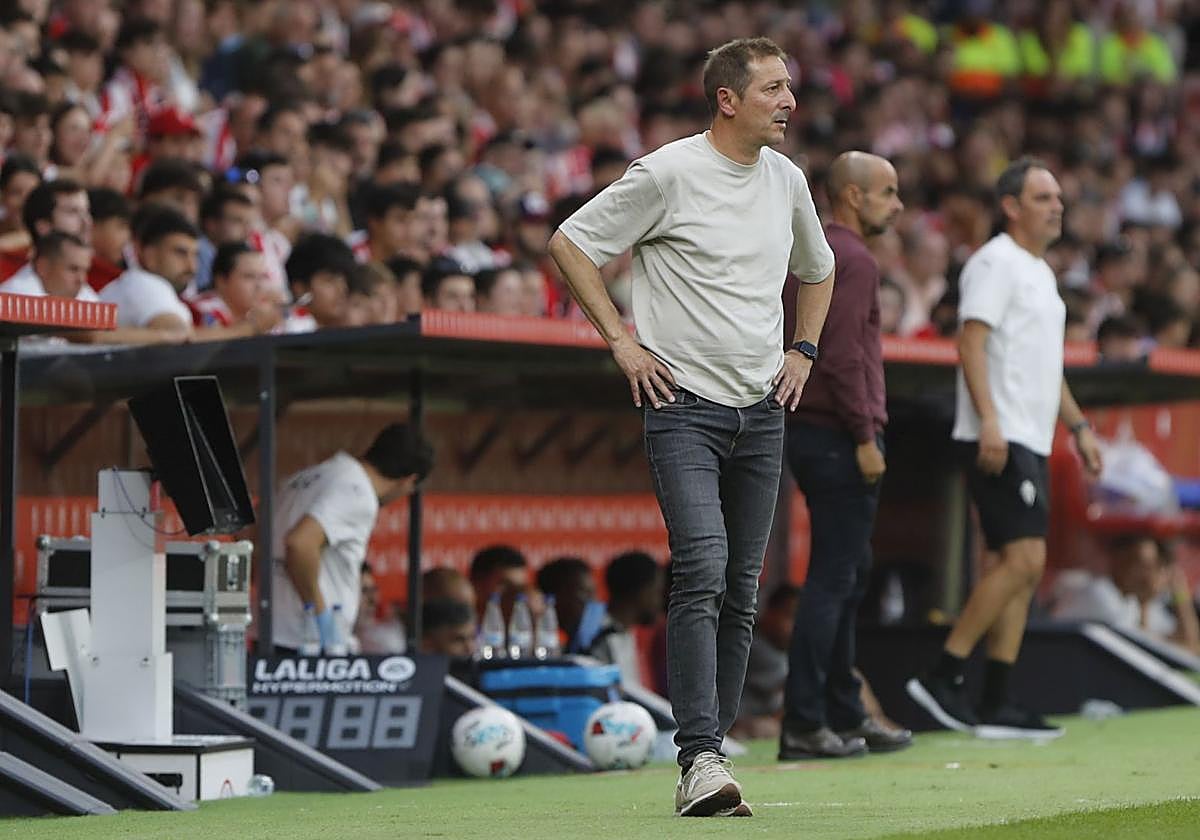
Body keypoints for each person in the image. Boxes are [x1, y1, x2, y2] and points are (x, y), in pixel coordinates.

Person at [549, 37, 835, 818]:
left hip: (763, 408)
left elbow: (818, 267)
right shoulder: (669, 172)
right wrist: (620, 339)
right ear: (727, 98)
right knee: (704, 565)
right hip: (684, 406)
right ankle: (700, 756)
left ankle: (711, 750)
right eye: (774, 88)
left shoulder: (787, 180)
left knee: (743, 586)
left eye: (791, 88)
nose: (789, 102)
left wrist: (804, 348)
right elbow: (571, 242)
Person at [906, 158, 1103, 740]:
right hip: (999, 433)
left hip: (1030, 434)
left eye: (1059, 197)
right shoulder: (994, 262)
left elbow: (1049, 368)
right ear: (1012, 206)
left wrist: (1081, 427)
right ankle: (943, 674)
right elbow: (970, 344)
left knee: (1022, 565)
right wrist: (989, 419)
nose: (1057, 206)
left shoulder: (1040, 272)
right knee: (1022, 560)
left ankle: (996, 698)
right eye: (1044, 197)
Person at [780, 151, 912, 760]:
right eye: (887, 192)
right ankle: (807, 722)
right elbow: (843, 356)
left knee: (847, 574)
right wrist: (864, 436)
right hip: (838, 432)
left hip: (810, 429)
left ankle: (844, 710)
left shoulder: (815, 253)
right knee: (835, 578)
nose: (898, 204)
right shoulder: (851, 258)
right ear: (853, 197)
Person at [271, 423, 434, 654]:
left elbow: (253, 536)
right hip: (308, 642)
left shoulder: (308, 477)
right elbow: (299, 543)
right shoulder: (356, 490)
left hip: (273, 630)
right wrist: (320, 614)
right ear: (409, 480)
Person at [1052, 536, 1200, 655]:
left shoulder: (1133, 602)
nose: (1147, 576)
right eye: (1142, 564)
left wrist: (1179, 592)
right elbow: (1146, 653)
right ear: (1119, 559)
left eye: (1154, 567)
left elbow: (1190, 648)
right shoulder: (1100, 594)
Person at [588, 551, 663, 690]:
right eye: (657, 592)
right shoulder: (600, 638)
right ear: (640, 591)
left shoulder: (635, 634)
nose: (660, 601)